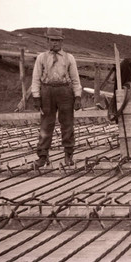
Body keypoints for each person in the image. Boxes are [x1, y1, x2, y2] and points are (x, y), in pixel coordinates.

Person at [32, 28, 82, 167]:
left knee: (67, 124)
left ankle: (68, 155)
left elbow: (75, 79)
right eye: (52, 40)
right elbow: (36, 79)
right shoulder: (41, 57)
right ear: (47, 41)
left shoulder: (69, 58)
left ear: (62, 41)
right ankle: (42, 156)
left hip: (65, 92)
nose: (55, 43)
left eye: (57, 40)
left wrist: (77, 96)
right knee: (46, 125)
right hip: (47, 92)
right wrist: (36, 97)